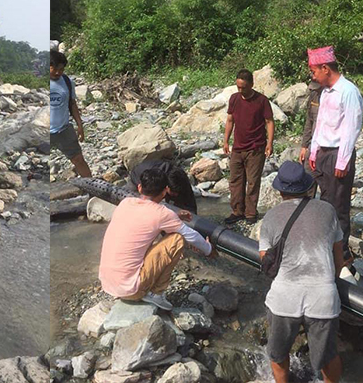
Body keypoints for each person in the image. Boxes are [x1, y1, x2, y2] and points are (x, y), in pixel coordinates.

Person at [260, 161, 344, 383]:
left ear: (279, 190)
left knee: (278, 355)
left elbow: (266, 259)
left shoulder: (270, 217)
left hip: (284, 297)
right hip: (323, 298)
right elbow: (338, 256)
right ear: (308, 186)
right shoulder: (327, 210)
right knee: (328, 356)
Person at [99, 168, 217, 311]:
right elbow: (191, 235)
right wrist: (209, 250)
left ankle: (141, 287)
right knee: (177, 239)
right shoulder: (162, 214)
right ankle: (156, 293)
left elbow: (146, 216)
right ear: (165, 191)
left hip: (108, 284)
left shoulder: (126, 203)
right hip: (131, 290)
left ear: (140, 187)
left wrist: (176, 215)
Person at [307, 46, 363, 262]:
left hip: (338, 153)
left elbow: (351, 127)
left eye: (314, 72)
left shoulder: (348, 92)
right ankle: (328, 246)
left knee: (338, 205)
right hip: (323, 153)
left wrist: (343, 161)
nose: (313, 76)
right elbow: (320, 124)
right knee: (324, 201)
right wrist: (314, 151)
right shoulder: (325, 92)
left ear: (325, 68)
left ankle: (342, 254)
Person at [223, 69, 274, 225]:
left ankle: (251, 213)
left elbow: (269, 122)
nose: (241, 90)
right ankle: (237, 211)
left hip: (255, 148)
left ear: (251, 84)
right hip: (238, 147)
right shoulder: (234, 99)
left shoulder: (262, 101)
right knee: (235, 181)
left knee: (252, 182)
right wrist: (226, 141)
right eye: (238, 87)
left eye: (244, 87)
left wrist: (270, 143)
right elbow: (230, 120)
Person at [49, 50, 92, 177]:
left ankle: (93, 189)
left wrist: (80, 125)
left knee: (78, 160)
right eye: (54, 69)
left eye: (61, 69)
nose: (58, 72)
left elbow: (72, 104)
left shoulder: (67, 82)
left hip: (63, 130)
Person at [129, 159, 197, 215]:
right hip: (138, 176)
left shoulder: (181, 178)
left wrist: (192, 215)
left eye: (177, 193)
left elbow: (191, 203)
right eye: (173, 193)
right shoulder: (153, 181)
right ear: (166, 188)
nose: (176, 195)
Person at [298, 80, 322, 198]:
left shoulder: (334, 96)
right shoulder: (313, 96)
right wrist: (304, 146)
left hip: (327, 147)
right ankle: (307, 210)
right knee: (307, 180)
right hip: (312, 146)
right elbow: (309, 121)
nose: (313, 90)